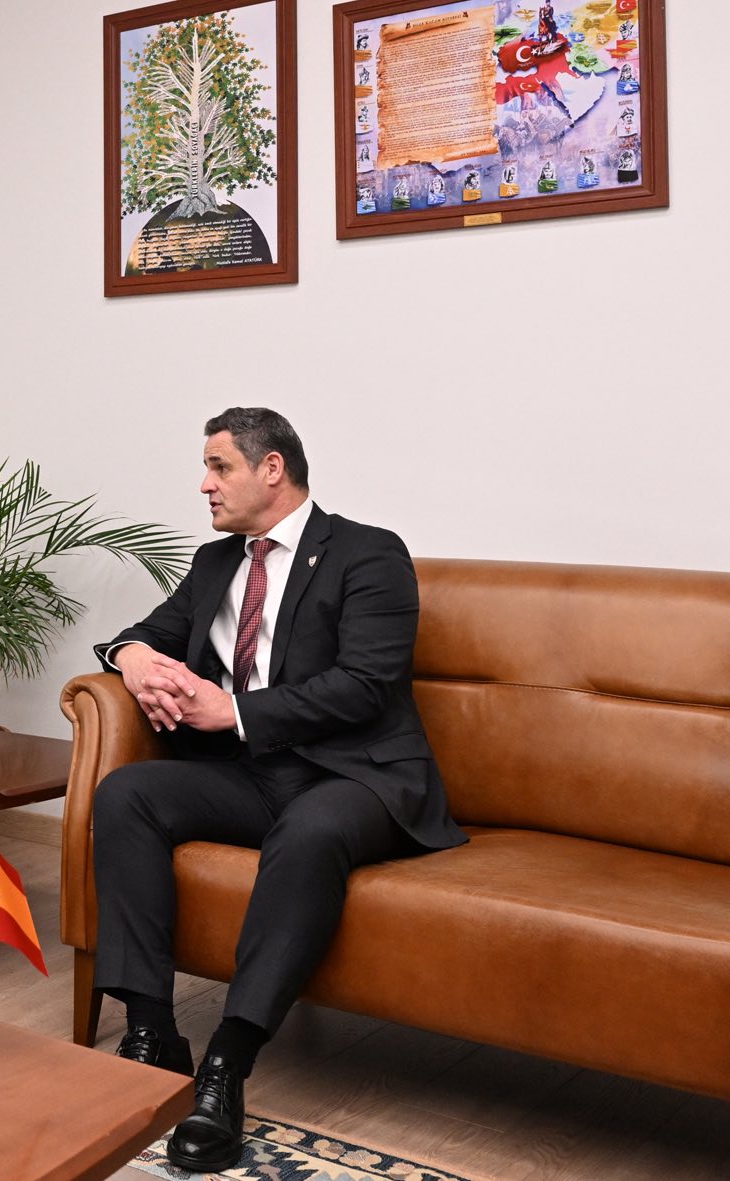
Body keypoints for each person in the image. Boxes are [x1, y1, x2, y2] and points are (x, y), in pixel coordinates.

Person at [90, 408, 465, 1174]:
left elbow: (365, 684)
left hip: (355, 775)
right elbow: (144, 633)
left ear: (271, 468)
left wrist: (233, 711)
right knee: (126, 793)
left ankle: (226, 1064)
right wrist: (133, 659)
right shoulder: (215, 563)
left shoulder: (368, 553)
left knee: (310, 827)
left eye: (219, 466)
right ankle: (153, 1034)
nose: (205, 484)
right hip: (252, 775)